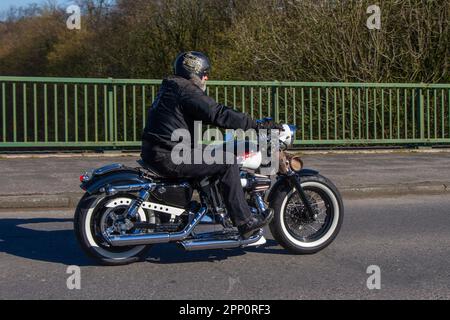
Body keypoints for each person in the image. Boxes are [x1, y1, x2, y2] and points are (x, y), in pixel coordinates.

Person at [141, 51, 281, 238]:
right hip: (170, 154)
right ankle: (245, 222)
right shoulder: (187, 90)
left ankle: (217, 207)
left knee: (213, 153)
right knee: (227, 160)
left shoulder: (172, 87)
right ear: (195, 72)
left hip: (159, 151)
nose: (206, 77)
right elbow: (218, 113)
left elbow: (204, 114)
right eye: (205, 72)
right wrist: (256, 125)